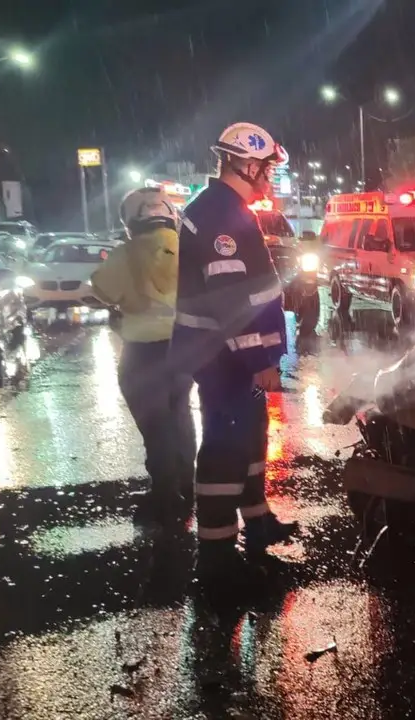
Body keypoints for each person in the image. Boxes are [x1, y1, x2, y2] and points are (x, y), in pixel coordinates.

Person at [170, 122, 297, 583]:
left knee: (250, 437)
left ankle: (257, 522)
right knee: (225, 449)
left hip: (227, 357)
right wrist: (258, 360)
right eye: (266, 168)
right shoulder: (221, 214)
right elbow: (230, 301)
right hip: (223, 359)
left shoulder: (228, 208)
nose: (270, 177)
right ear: (245, 163)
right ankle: (217, 556)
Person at [91, 188, 195, 526]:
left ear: (132, 220)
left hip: (141, 351)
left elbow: (102, 291)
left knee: (155, 423)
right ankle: (187, 484)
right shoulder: (187, 248)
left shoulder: (125, 254)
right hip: (183, 347)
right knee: (179, 414)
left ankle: (165, 493)